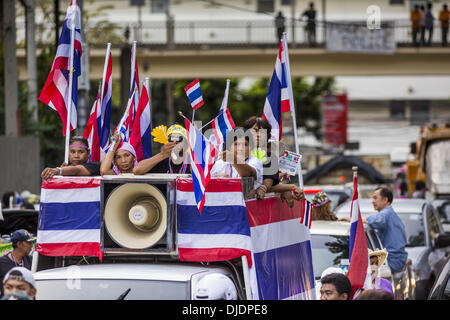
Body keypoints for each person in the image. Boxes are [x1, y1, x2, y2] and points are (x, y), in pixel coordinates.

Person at [242, 116, 304, 205]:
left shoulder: (270, 157)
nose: (258, 134)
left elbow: (266, 184)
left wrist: (285, 185)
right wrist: (290, 187)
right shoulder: (234, 154)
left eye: (262, 132)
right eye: (254, 131)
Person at [365, 187, 408, 276]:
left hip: (391, 262)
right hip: (395, 261)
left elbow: (377, 221)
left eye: (375, 198)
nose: (372, 201)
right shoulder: (390, 214)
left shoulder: (386, 214)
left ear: (385, 200)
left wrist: (357, 220)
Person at [0, 229, 36, 296]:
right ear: (19, 244)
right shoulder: (1, 262)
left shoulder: (31, 260)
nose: (31, 246)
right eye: (29, 243)